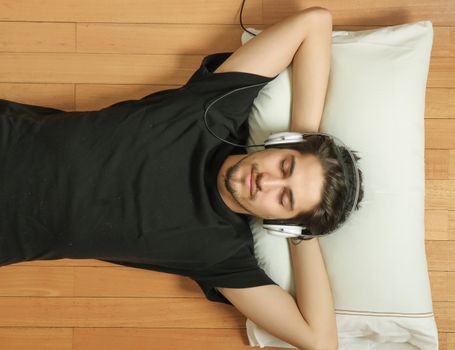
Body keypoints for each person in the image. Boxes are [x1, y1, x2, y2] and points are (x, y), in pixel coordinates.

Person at [0, 7, 362, 350]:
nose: (266, 183)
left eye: (284, 199)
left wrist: (302, 232)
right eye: (285, 167)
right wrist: (305, 132)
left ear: (283, 225)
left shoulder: (222, 256)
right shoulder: (215, 109)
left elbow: (319, 340)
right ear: (281, 144)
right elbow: (315, 22)